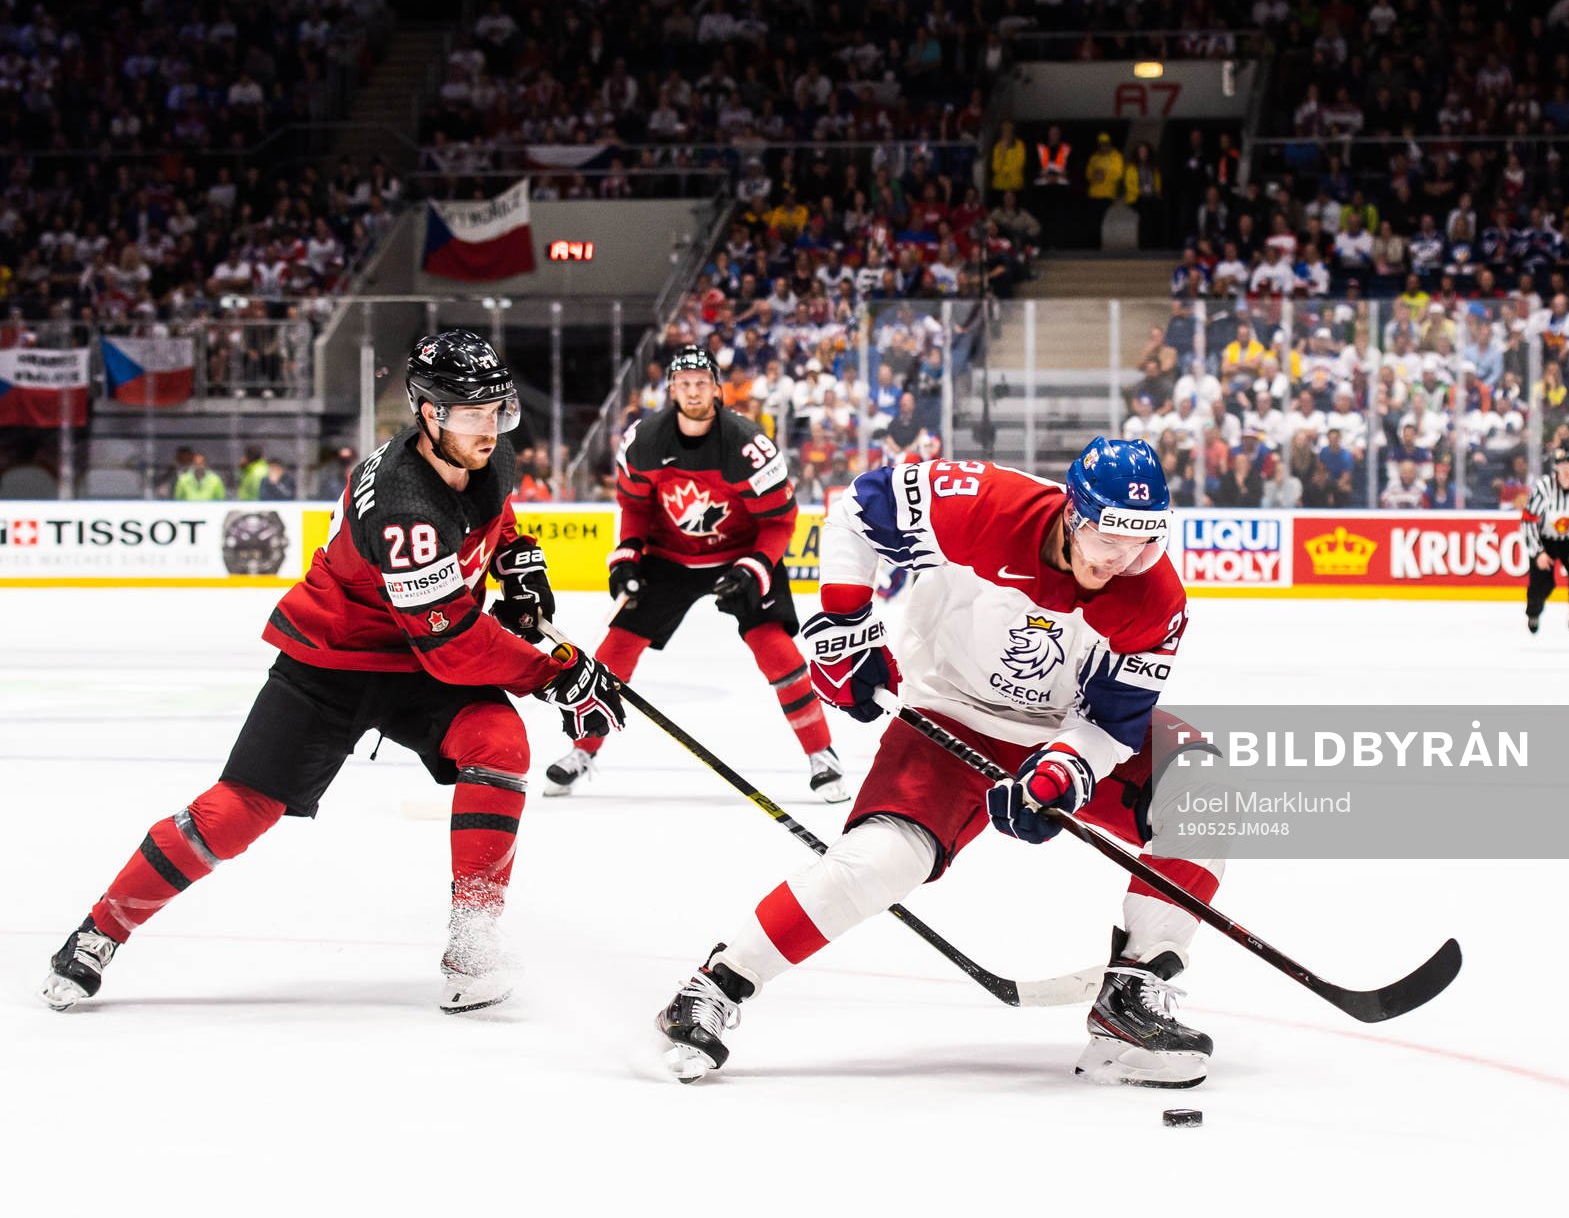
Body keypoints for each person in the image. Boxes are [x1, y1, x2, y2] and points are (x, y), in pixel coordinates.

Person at [42, 331, 629, 1014]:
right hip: (334, 662)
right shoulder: (405, 507)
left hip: (419, 661)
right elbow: (456, 648)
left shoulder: (480, 458)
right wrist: (558, 675)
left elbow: (494, 521)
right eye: (470, 413)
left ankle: (472, 940)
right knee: (234, 814)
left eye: (497, 409)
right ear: (427, 414)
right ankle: (98, 931)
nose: (490, 427)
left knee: (499, 745)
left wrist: (519, 562)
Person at [655, 438, 1224, 1088]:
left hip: (1057, 732)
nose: (1124, 560)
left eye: (1146, 543)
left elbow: (1113, 721)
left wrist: (1064, 771)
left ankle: (1132, 995)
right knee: (883, 861)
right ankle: (716, 984)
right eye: (1109, 540)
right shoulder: (987, 504)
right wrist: (846, 623)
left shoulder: (1155, 599)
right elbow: (861, 509)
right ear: (1074, 514)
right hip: (948, 714)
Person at [540, 346, 841, 800]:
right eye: (685, 383)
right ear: (672, 389)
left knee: (775, 649)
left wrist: (754, 569)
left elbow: (779, 521)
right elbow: (635, 507)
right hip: (671, 557)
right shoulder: (644, 440)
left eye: (702, 382)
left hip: (741, 554)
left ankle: (823, 754)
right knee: (614, 649)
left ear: (717, 389)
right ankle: (582, 751)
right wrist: (627, 559)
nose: (694, 390)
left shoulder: (746, 444)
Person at [1522, 444, 1569, 649]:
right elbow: (1528, 521)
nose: (1567, 471)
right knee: (1541, 583)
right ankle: (1533, 612)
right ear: (1556, 467)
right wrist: (1538, 552)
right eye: (1563, 465)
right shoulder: (1543, 488)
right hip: (1545, 540)